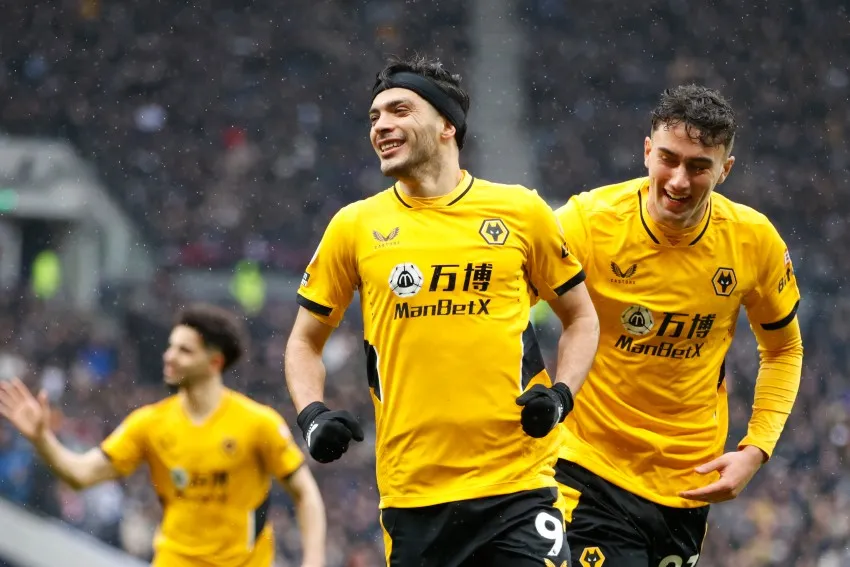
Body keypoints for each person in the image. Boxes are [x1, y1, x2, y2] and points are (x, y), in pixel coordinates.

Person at [284, 54, 600, 567]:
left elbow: (582, 318)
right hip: (414, 498)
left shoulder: (521, 212)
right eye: (374, 117)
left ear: (446, 124)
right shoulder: (354, 226)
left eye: (399, 110)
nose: (382, 126)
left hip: (517, 487)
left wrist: (561, 396)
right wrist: (312, 414)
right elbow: (304, 341)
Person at [553, 84, 803, 567]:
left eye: (698, 166)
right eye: (668, 158)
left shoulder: (753, 242)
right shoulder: (587, 223)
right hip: (588, 467)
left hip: (688, 483)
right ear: (646, 151)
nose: (678, 180)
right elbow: (505, 303)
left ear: (724, 171)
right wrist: (544, 392)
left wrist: (756, 449)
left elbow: (784, 351)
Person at [0, 303, 327, 567]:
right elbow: (80, 475)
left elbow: (305, 494)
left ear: (214, 362)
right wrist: (41, 438)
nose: (169, 356)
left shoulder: (258, 423)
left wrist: (313, 561)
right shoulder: (149, 423)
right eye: (170, 347)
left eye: (184, 350)